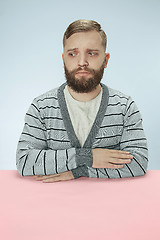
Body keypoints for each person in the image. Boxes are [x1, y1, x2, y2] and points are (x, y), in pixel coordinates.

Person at [16, 19, 148, 183]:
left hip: (112, 203)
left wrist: (78, 171)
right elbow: (25, 161)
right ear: (64, 59)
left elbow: (138, 162)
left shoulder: (125, 106)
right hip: (53, 203)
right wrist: (88, 157)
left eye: (92, 53)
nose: (82, 62)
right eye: (73, 54)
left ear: (105, 60)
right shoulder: (42, 106)